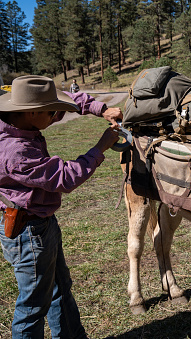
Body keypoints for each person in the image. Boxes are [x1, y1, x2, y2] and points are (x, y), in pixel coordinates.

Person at [0, 75, 120, 338]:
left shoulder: (17, 121)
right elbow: (65, 177)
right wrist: (101, 146)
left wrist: (101, 109)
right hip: (28, 231)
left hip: (39, 223)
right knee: (32, 307)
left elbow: (68, 99)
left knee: (59, 289)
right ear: (31, 112)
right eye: (52, 112)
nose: (58, 116)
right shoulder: (15, 151)